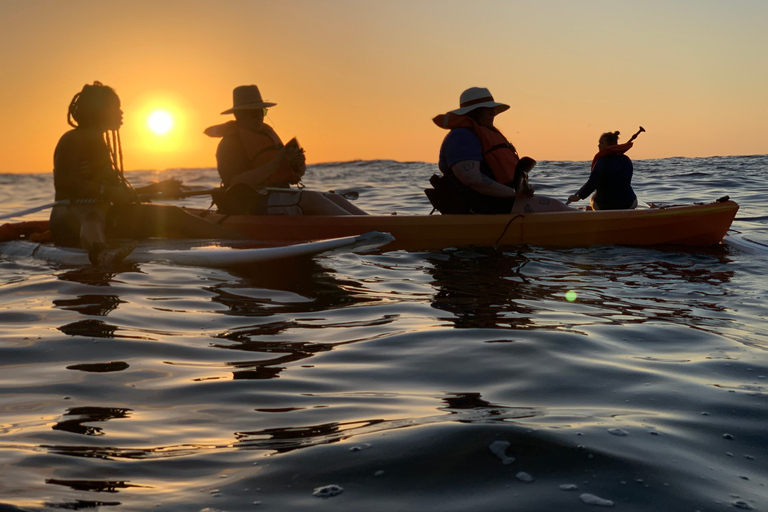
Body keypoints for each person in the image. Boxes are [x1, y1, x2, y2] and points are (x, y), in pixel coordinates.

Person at [51, 81, 244, 266]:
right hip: (70, 218)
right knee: (93, 215)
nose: (121, 112)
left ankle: (239, 242)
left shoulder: (101, 143)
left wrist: (157, 188)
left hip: (110, 217)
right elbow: (64, 181)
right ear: (100, 110)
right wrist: (103, 190)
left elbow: (117, 193)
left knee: (174, 214)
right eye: (116, 107)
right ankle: (100, 253)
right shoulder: (72, 139)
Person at [204, 85, 366, 215]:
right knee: (312, 199)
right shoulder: (229, 145)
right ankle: (362, 228)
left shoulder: (264, 134)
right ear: (238, 116)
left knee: (334, 197)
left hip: (277, 195)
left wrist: (298, 165)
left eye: (261, 112)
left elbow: (291, 177)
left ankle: (371, 222)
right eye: (253, 114)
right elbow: (237, 183)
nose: (259, 117)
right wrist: (276, 163)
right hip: (251, 203)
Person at [434, 87, 571, 214]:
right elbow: (471, 178)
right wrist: (513, 193)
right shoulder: (462, 137)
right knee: (556, 207)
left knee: (558, 206)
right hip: (478, 205)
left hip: (492, 201)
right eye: (489, 110)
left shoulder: (476, 134)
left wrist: (521, 189)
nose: (493, 114)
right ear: (475, 111)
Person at [567, 130, 638, 210]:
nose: (598, 145)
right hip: (628, 203)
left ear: (610, 145)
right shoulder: (627, 160)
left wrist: (579, 197)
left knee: (593, 197)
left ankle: (594, 212)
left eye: (601, 143)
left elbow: (592, 183)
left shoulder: (601, 162)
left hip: (604, 205)